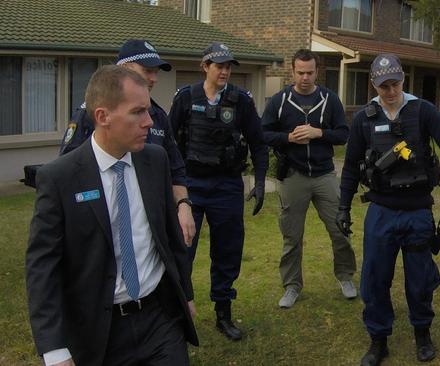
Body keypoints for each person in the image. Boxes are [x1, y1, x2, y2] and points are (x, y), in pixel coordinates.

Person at [26, 65, 198, 366]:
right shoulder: (60, 178)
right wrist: (54, 348)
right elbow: (43, 267)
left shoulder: (155, 160)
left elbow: (170, 236)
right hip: (99, 331)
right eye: (138, 112)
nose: (149, 122)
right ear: (103, 116)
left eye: (148, 110)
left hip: (160, 320)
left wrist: (185, 292)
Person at [336, 54, 440, 366]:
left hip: (417, 211)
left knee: (420, 279)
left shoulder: (422, 111)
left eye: (395, 84)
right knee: (374, 279)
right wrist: (343, 207)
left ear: (403, 81)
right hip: (381, 210)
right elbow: (351, 166)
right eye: (384, 86)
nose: (390, 91)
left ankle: (422, 333)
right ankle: (378, 340)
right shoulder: (364, 118)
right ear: (374, 84)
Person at [168, 42, 268, 341]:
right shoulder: (186, 98)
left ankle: (223, 313)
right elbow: (170, 146)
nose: (224, 71)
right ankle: (179, 313)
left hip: (226, 185)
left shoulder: (242, 101)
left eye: (228, 66)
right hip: (192, 185)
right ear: (205, 67)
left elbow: (258, 143)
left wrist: (260, 181)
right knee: (183, 250)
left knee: (227, 251)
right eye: (219, 65)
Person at [59, 39, 196, 247]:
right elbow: (69, 172)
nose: (154, 78)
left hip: (151, 223)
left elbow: (176, 168)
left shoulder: (158, 116)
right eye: (147, 70)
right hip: (104, 225)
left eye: (156, 72)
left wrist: (184, 205)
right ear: (123, 69)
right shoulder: (89, 115)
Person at [262, 49, 357, 309]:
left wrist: (318, 133)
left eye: (310, 72)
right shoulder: (280, 101)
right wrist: (288, 138)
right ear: (292, 71)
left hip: (324, 175)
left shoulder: (329, 99)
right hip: (293, 176)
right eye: (300, 72)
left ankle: (346, 277)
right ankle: (292, 286)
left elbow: (343, 134)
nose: (305, 77)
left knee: (340, 229)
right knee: (292, 236)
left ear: (317, 72)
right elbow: (263, 132)